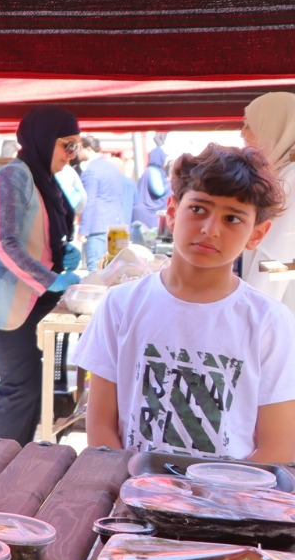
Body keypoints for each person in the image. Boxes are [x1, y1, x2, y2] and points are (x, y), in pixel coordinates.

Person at [74, 144, 295, 460]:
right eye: (198, 209)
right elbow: (100, 427)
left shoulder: (269, 321)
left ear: (257, 235)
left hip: (230, 489)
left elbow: (278, 447)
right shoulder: (120, 305)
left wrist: (215, 487)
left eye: (232, 218)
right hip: (129, 484)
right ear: (173, 211)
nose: (210, 229)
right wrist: (136, 482)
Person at [0, 106, 82, 444]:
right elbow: (4, 243)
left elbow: (38, 235)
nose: (72, 154)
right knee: (21, 385)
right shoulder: (12, 177)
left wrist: (61, 254)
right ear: (44, 139)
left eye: (76, 146)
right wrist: (50, 279)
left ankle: (15, 457)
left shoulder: (42, 179)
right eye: (68, 145)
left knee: (30, 384)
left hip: (26, 302)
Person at [240, 91, 295, 310]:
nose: (242, 132)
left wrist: (252, 312)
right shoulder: (285, 173)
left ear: (275, 127)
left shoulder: (291, 178)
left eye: (249, 125)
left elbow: (275, 258)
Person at [77, 135, 132, 269]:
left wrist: (83, 230)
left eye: (79, 148)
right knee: (118, 272)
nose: (76, 153)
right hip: (118, 226)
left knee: (96, 272)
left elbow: (89, 201)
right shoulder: (112, 168)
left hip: (98, 227)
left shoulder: (91, 171)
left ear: (88, 149)